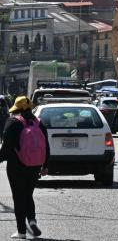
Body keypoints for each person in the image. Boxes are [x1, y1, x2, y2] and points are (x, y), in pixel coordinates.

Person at [0, 96, 48, 239]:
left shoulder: (13, 122)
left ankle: (21, 231)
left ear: (17, 108)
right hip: (35, 166)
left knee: (18, 197)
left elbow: (6, 148)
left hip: (17, 166)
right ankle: (32, 221)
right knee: (28, 195)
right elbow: (46, 145)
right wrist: (45, 165)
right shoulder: (38, 123)